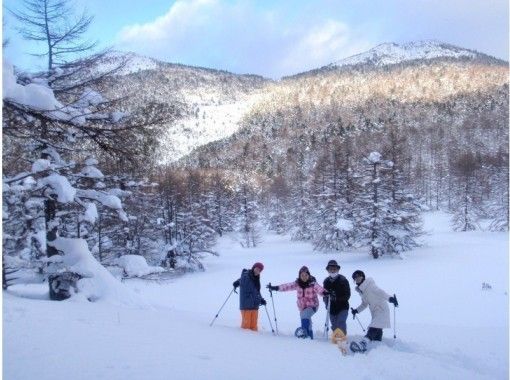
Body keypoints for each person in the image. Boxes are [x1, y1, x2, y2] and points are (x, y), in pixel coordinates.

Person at [267, 266, 326, 339]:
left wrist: (325, 293)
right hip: (302, 307)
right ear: (299, 276)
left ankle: (304, 334)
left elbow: (319, 289)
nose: (304, 277)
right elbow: (287, 286)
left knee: (305, 316)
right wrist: (275, 288)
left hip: (313, 306)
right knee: (307, 319)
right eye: (302, 275)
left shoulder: (313, 284)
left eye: (306, 275)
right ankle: (310, 336)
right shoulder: (297, 284)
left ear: (309, 275)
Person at [350, 270, 398, 352]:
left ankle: (363, 344)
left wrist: (390, 298)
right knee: (377, 332)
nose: (357, 279)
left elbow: (381, 292)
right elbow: (364, 304)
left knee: (373, 327)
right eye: (355, 278)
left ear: (363, 277)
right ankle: (378, 347)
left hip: (382, 310)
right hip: (375, 312)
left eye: (359, 277)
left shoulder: (370, 286)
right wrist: (356, 311)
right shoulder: (362, 291)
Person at [232, 262, 266, 332]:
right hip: (246, 305)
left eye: (260, 270)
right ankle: (244, 342)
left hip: (255, 306)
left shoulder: (256, 278)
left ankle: (254, 342)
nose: (258, 271)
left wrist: (261, 300)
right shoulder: (246, 275)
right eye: (257, 269)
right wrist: (238, 282)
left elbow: (256, 291)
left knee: (254, 327)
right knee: (246, 328)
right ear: (253, 268)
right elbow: (244, 282)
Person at [323, 260, 351, 335]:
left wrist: (336, 298)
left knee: (341, 322)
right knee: (334, 325)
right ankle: (336, 337)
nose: (332, 271)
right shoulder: (326, 281)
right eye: (330, 269)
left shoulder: (343, 280)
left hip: (343, 307)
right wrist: (326, 303)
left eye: (334, 269)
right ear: (328, 270)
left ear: (338, 269)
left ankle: (342, 338)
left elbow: (347, 295)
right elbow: (324, 294)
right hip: (331, 308)